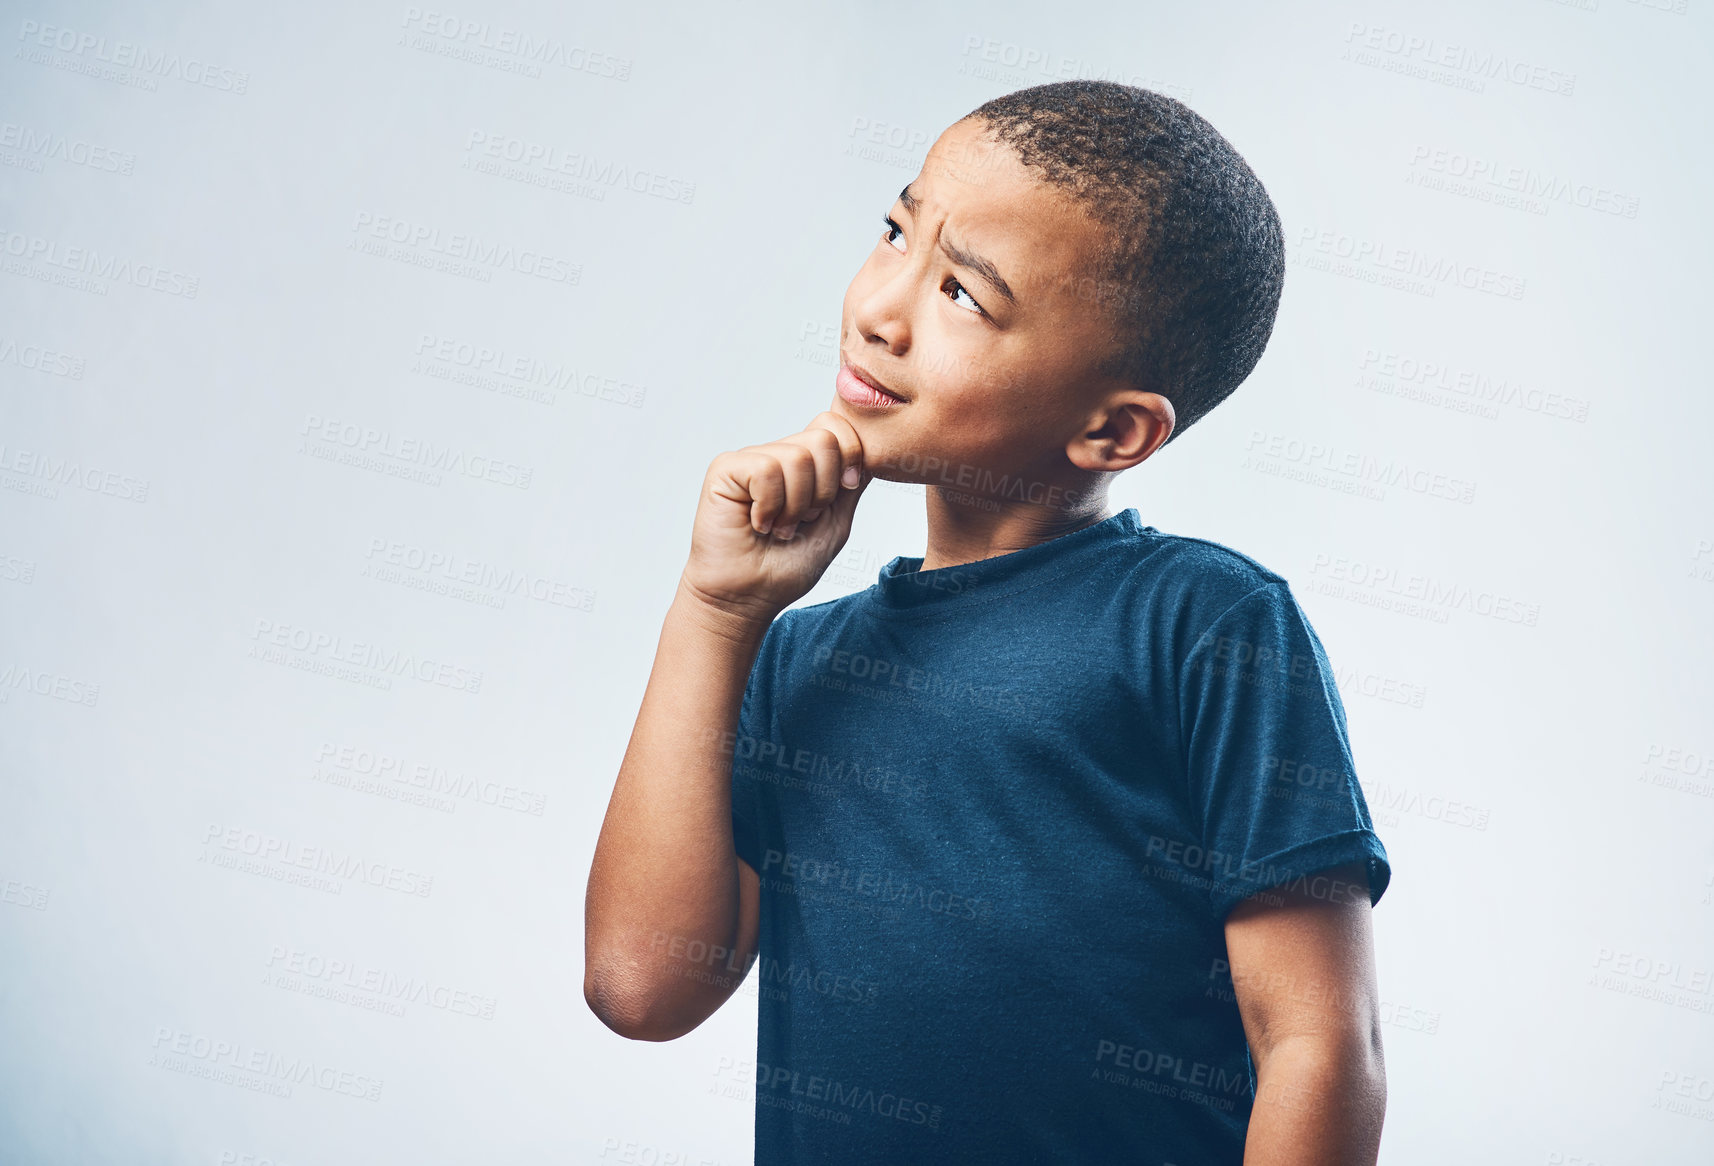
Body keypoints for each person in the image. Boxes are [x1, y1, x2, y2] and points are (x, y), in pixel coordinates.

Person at [585, 79, 1391, 1165]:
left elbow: (1318, 1044)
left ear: (1112, 430)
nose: (880, 306)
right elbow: (643, 983)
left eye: (963, 294)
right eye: (895, 232)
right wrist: (717, 610)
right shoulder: (799, 656)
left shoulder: (1205, 622)